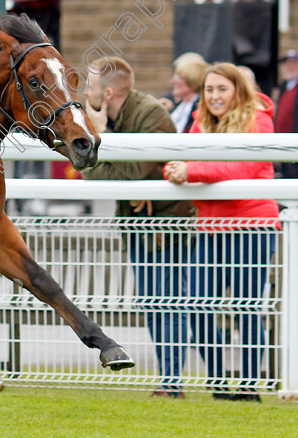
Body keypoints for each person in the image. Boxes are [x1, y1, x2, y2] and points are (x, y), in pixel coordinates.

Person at [164, 62, 280, 402]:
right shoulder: (201, 122)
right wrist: (177, 169)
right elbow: (184, 159)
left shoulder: (259, 119)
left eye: (222, 89)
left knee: (246, 308)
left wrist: (190, 171)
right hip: (210, 227)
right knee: (198, 306)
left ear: (238, 90)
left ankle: (248, 386)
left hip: (251, 226)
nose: (214, 96)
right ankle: (218, 383)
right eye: (209, 89)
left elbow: (241, 167)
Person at [80, 57, 195, 398]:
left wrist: (104, 137)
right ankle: (170, 380)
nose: (86, 93)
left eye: (90, 87)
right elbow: (88, 167)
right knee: (151, 301)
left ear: (109, 92)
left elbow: (129, 169)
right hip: (138, 223)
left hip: (166, 225)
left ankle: (173, 382)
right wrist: (130, 182)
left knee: (168, 302)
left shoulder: (151, 115)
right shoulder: (116, 114)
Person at [275, 49, 298, 177]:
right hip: (282, 146)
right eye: (286, 63)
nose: (289, 67)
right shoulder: (284, 88)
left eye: (294, 63)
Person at [168, 59, 206, 134]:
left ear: (193, 80)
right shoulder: (179, 105)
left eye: (179, 78)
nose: (173, 82)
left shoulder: (200, 107)